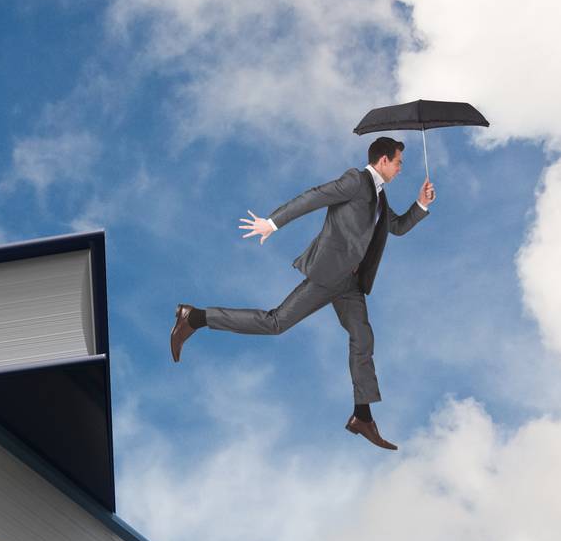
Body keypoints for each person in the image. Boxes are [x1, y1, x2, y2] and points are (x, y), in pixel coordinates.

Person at [169, 136, 436, 451]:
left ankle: (362, 416)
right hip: (329, 275)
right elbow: (314, 197)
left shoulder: (380, 198)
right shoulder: (355, 180)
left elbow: (398, 227)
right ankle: (196, 317)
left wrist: (421, 204)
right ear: (383, 161)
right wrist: (272, 222)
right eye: (399, 162)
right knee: (276, 323)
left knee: (363, 338)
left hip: (349, 284)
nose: (401, 168)